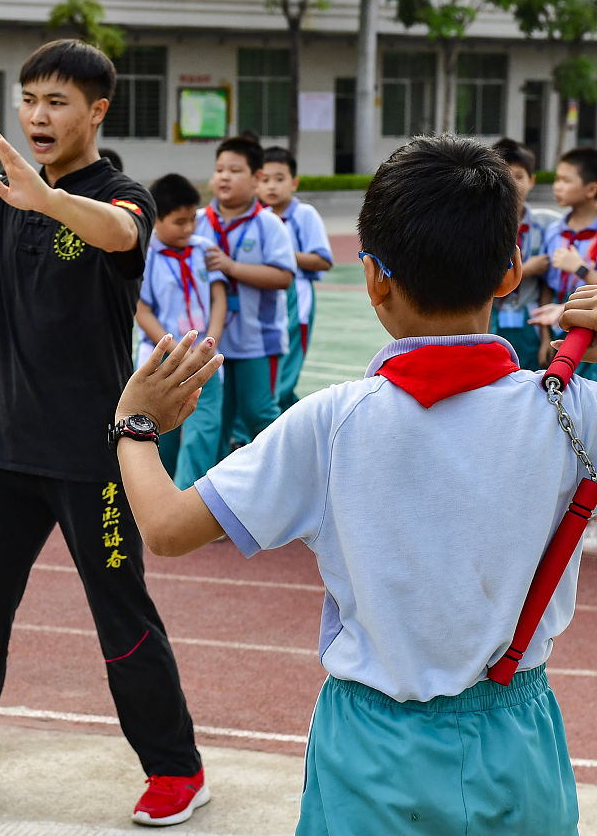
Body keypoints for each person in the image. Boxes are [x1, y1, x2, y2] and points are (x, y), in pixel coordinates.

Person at [114, 134, 588, 836]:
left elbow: (166, 527)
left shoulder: (331, 422)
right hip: (519, 741)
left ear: (373, 278)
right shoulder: (570, 406)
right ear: (511, 269)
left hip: (374, 748)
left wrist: (136, 425)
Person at [0, 38, 207, 827]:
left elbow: (122, 234)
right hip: (1, 448)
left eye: (56, 101)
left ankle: (177, 769)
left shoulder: (116, 192)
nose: (37, 114)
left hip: (91, 457)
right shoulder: (0, 198)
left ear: (97, 111)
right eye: (29, 99)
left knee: (121, 616)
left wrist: (43, 196)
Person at [198, 136, 296, 452]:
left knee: (259, 414)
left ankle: (284, 475)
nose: (224, 176)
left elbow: (284, 276)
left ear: (256, 178)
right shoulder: (198, 222)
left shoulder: (268, 224)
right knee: (216, 419)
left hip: (257, 340)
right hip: (211, 342)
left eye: (235, 170)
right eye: (219, 169)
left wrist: (231, 267)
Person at [138, 174, 226, 488]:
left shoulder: (204, 249)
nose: (188, 229)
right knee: (165, 431)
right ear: (156, 220)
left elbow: (218, 296)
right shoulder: (145, 256)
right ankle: (162, 499)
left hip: (205, 357)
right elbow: (142, 309)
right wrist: (173, 348)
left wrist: (210, 341)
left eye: (192, 220)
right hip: (164, 357)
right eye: (179, 222)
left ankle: (192, 500)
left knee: (203, 427)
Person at [258, 146, 332, 410]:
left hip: (296, 304)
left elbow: (322, 259)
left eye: (279, 179)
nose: (271, 186)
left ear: (294, 182)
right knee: (265, 372)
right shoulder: (257, 217)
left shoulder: (304, 215)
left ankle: (268, 428)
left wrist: (282, 254)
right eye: (264, 180)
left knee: (285, 374)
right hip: (263, 304)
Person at [487, 138, 552, 370]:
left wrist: (546, 339)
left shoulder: (547, 226)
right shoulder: (481, 227)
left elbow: (549, 285)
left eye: (519, 176)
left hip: (530, 321)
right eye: (505, 176)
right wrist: (529, 268)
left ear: (532, 180)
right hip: (490, 321)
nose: (512, 184)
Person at [543, 147, 597, 378]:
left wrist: (580, 268)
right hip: (556, 326)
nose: (557, 186)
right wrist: (544, 338)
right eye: (556, 179)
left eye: (566, 180)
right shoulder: (554, 230)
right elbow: (545, 286)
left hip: (592, 331)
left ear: (591, 189)